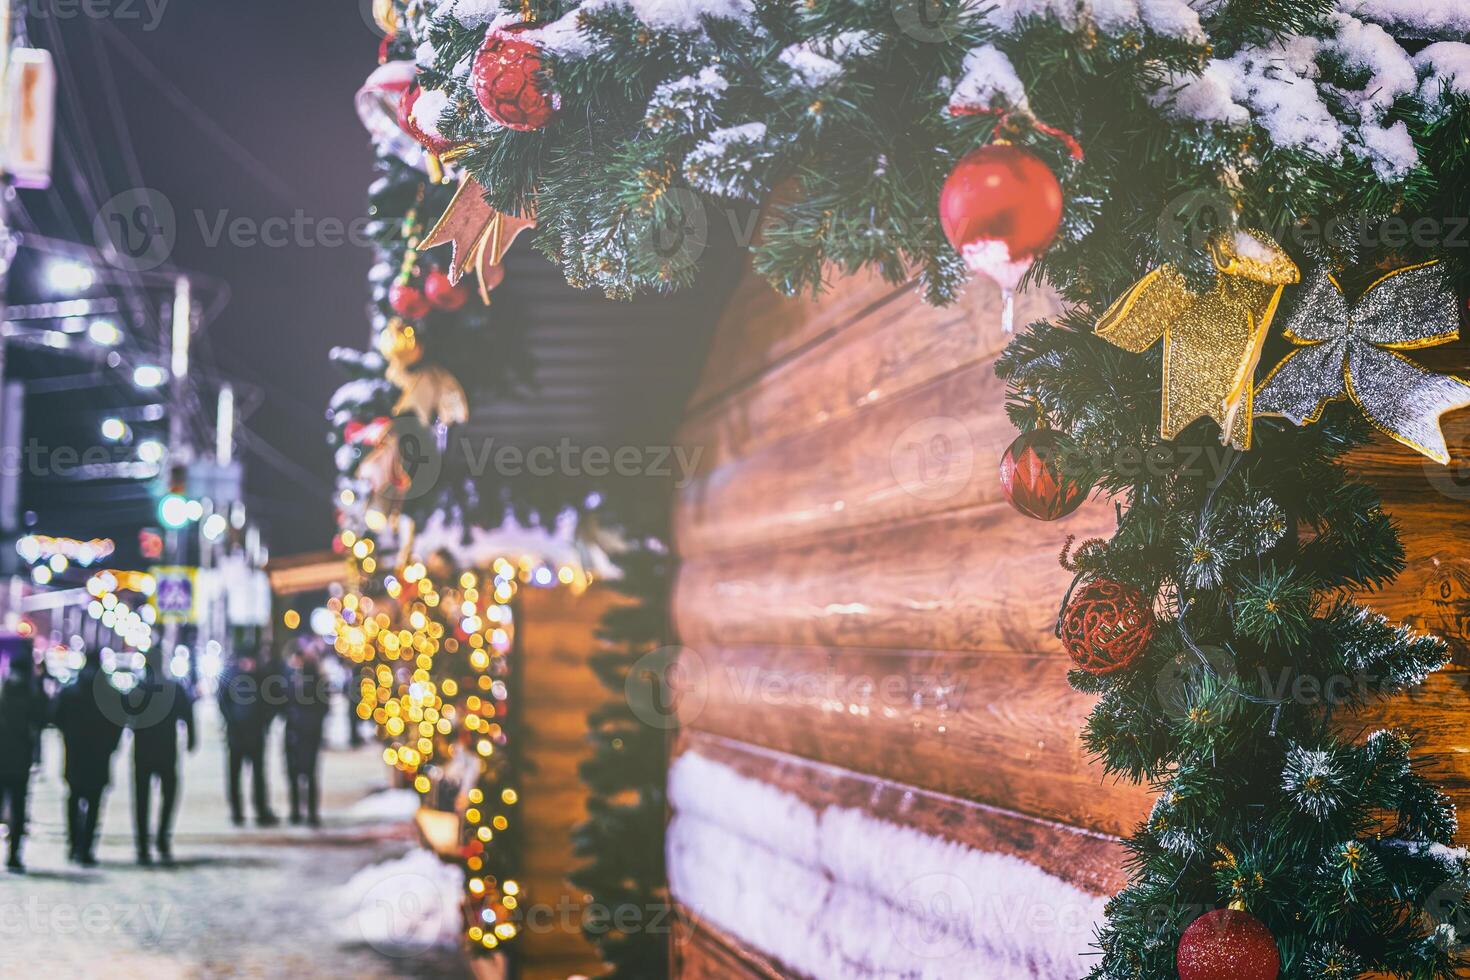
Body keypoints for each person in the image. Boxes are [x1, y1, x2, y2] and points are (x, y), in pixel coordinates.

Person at [54, 649, 124, 866]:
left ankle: (74, 844)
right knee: (94, 802)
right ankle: (86, 848)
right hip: (99, 755)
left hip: (76, 753)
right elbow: (118, 724)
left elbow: (56, 717)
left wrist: (68, 736)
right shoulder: (110, 693)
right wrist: (111, 746)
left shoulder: (70, 691)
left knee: (74, 797)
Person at [129, 657, 196, 865]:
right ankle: (162, 837)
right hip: (166, 750)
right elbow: (188, 714)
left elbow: (126, 716)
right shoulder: (173, 688)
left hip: (142, 750)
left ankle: (142, 845)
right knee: (170, 794)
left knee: (141, 798)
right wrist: (192, 738)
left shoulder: (138, 689)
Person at [218, 654, 278, 826]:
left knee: (257, 775)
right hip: (239, 735)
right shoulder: (233, 676)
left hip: (253, 734)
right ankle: (238, 812)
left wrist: (265, 721)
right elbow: (223, 704)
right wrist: (232, 723)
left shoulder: (260, 677)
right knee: (236, 775)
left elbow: (272, 702)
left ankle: (258, 810)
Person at [0, 648, 45, 872]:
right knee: (18, 809)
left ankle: (13, 853)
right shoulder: (31, 695)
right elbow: (43, 720)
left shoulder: (3, 692)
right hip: (19, 762)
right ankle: (14, 855)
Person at [283, 645, 331, 826]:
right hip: (297, 732)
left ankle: (307, 812)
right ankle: (299, 811)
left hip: (306, 733)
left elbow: (323, 706)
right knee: (296, 773)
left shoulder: (314, 680)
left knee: (307, 773)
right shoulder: (290, 678)